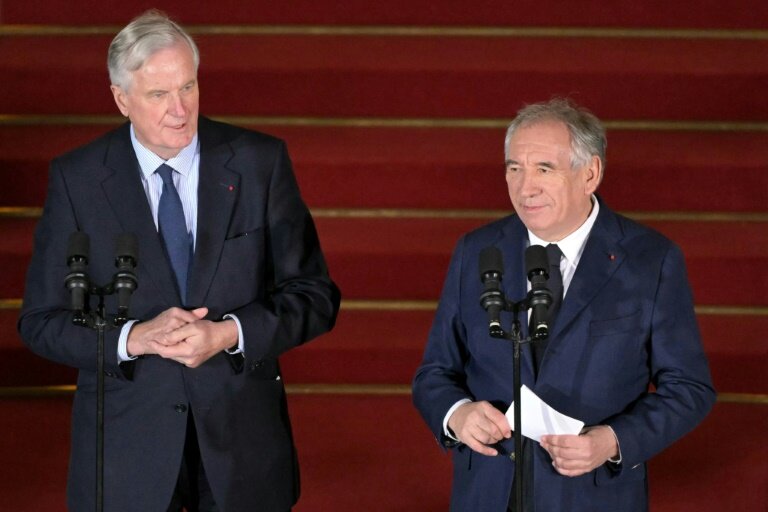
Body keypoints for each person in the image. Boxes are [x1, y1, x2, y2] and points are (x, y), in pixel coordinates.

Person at [18, 10, 340, 512]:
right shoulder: (77, 180)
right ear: (121, 99)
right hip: (127, 454)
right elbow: (40, 322)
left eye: (188, 87)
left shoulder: (258, 162)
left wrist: (228, 333)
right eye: (158, 95)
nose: (179, 109)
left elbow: (315, 297)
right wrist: (133, 338)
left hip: (242, 446)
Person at [412, 98, 715, 512]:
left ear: (589, 174)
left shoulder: (651, 260)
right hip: (489, 492)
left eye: (544, 169)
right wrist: (457, 414)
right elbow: (434, 372)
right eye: (513, 168)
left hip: (591, 494)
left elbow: (689, 387)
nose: (525, 187)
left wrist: (611, 441)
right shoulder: (479, 251)